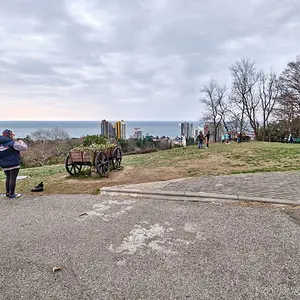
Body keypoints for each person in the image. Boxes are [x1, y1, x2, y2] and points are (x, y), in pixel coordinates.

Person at [0, 129, 28, 198]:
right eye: (12, 135)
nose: (13, 137)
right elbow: (24, 148)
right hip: (14, 164)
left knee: (8, 178)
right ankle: (12, 194)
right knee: (13, 178)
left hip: (3, 164)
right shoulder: (13, 143)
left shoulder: (1, 144)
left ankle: (7, 192)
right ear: (9, 135)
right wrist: (21, 142)